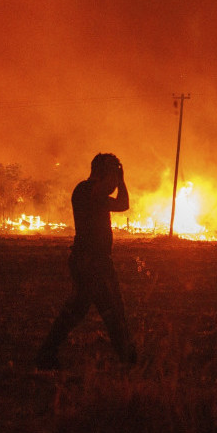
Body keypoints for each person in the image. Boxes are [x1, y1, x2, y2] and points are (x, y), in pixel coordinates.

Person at [36, 152, 137, 369]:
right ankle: (128, 359)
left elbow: (123, 204)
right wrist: (115, 178)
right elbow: (108, 195)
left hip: (90, 260)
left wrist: (121, 180)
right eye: (111, 174)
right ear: (101, 173)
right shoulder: (85, 190)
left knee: (77, 309)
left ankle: (46, 353)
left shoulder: (96, 194)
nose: (114, 181)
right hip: (92, 262)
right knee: (112, 309)